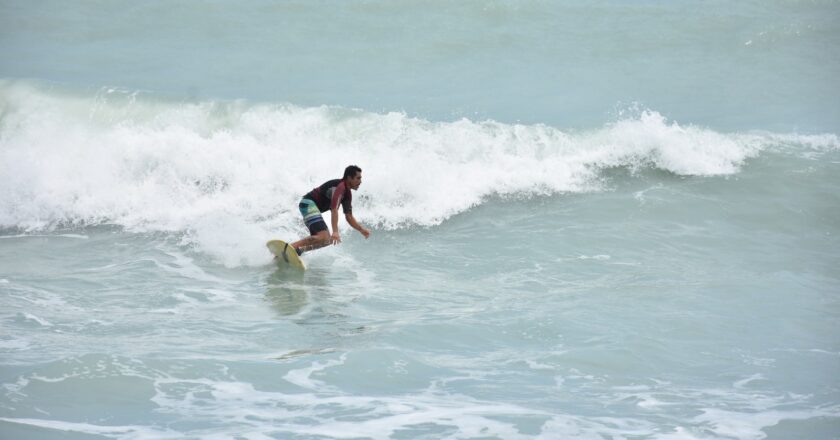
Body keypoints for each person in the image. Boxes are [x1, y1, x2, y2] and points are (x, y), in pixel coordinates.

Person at [291, 165, 371, 255]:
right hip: (308, 203)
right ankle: (290, 247)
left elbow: (349, 216)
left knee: (327, 240)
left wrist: (361, 230)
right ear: (349, 178)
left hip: (312, 207)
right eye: (358, 178)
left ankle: (299, 250)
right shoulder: (340, 187)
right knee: (323, 236)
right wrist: (335, 231)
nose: (360, 182)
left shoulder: (347, 194)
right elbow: (334, 209)